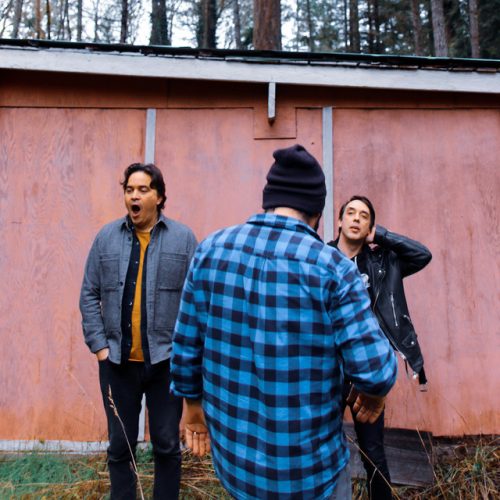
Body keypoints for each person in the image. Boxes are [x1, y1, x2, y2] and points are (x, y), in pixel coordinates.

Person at [171, 145, 398, 499]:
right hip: (310, 476)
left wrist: (193, 410)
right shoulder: (333, 268)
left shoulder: (211, 250)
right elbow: (375, 370)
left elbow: (186, 347)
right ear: (318, 214)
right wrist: (374, 394)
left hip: (238, 470)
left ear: (269, 200)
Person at [80, 162, 197, 499]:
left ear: (158, 197)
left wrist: (187, 351)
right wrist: (100, 347)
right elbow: (89, 293)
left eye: (143, 190)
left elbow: (197, 298)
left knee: (167, 444)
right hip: (117, 363)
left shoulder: (183, 239)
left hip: (166, 363)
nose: (134, 196)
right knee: (120, 447)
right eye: (129, 190)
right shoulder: (106, 238)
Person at [328, 195, 432, 500]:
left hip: (367, 372)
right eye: (350, 213)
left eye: (364, 216)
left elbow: (422, 255)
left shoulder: (382, 262)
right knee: (322, 448)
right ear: (339, 221)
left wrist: (382, 236)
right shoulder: (321, 259)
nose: (356, 218)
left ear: (369, 227)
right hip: (327, 370)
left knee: (373, 454)